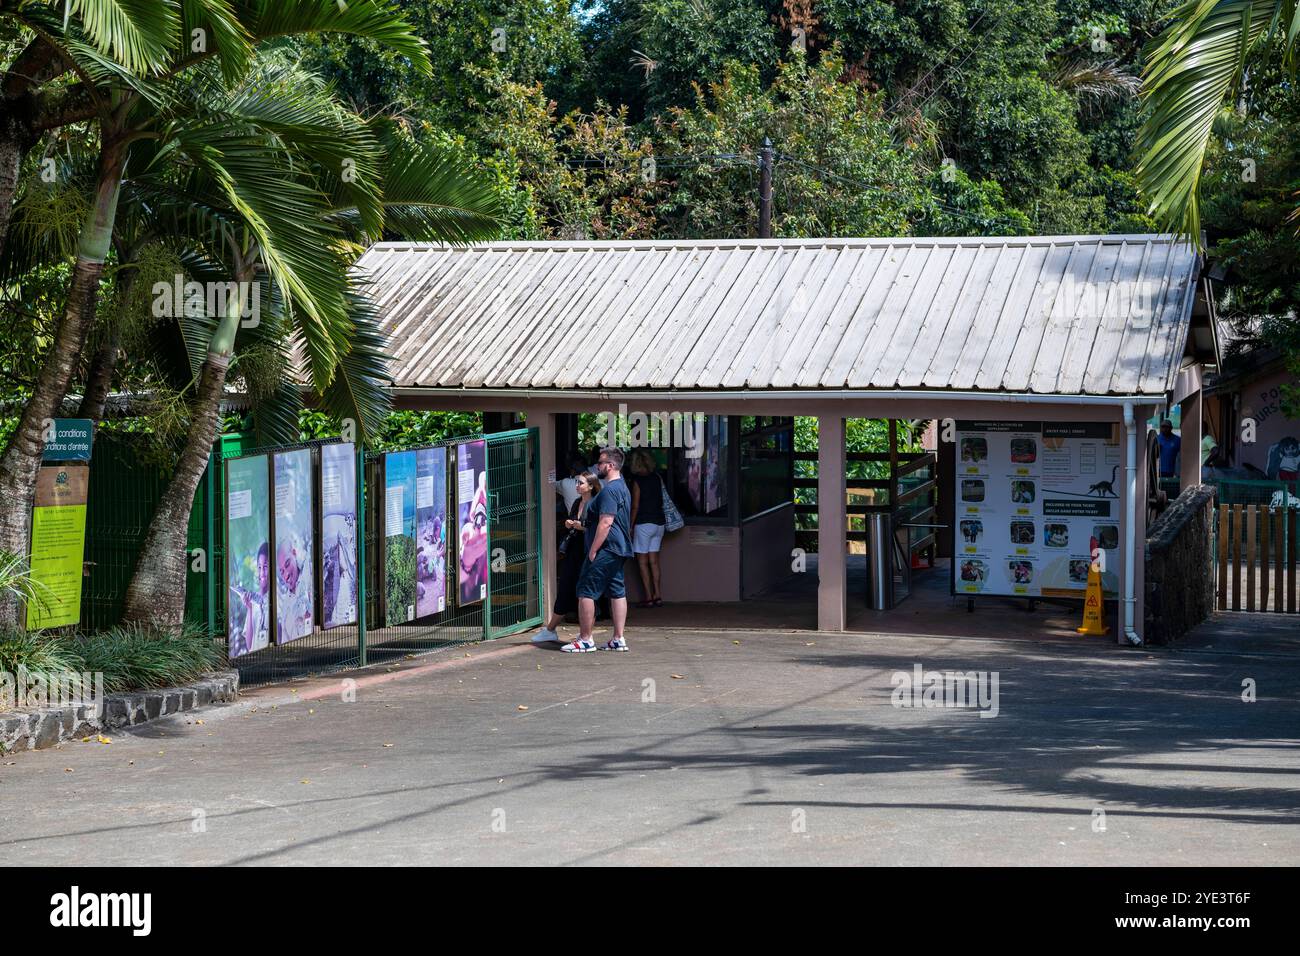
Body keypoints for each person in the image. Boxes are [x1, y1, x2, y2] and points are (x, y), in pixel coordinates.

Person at [561, 447, 632, 653]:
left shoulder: (610, 490)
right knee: (617, 591)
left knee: (585, 590)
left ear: (610, 466)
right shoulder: (622, 487)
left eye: (600, 463)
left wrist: (593, 550)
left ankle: (585, 639)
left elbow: (606, 522)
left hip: (607, 548)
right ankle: (618, 639)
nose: (597, 466)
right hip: (618, 548)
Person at [533, 469, 600, 643]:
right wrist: (569, 523)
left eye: (581, 483)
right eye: (577, 482)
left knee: (586, 593)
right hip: (574, 551)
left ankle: (586, 635)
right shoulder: (578, 502)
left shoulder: (596, 503)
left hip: (588, 551)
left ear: (591, 486)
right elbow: (572, 522)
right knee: (565, 588)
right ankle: (551, 629)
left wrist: (581, 526)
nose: (577, 485)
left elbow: (597, 527)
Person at [627, 448, 667, 608]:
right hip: (659, 523)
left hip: (643, 523)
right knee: (654, 562)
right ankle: (658, 595)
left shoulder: (637, 481)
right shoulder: (657, 478)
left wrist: (630, 525)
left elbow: (635, 506)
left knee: (642, 562)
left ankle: (648, 597)